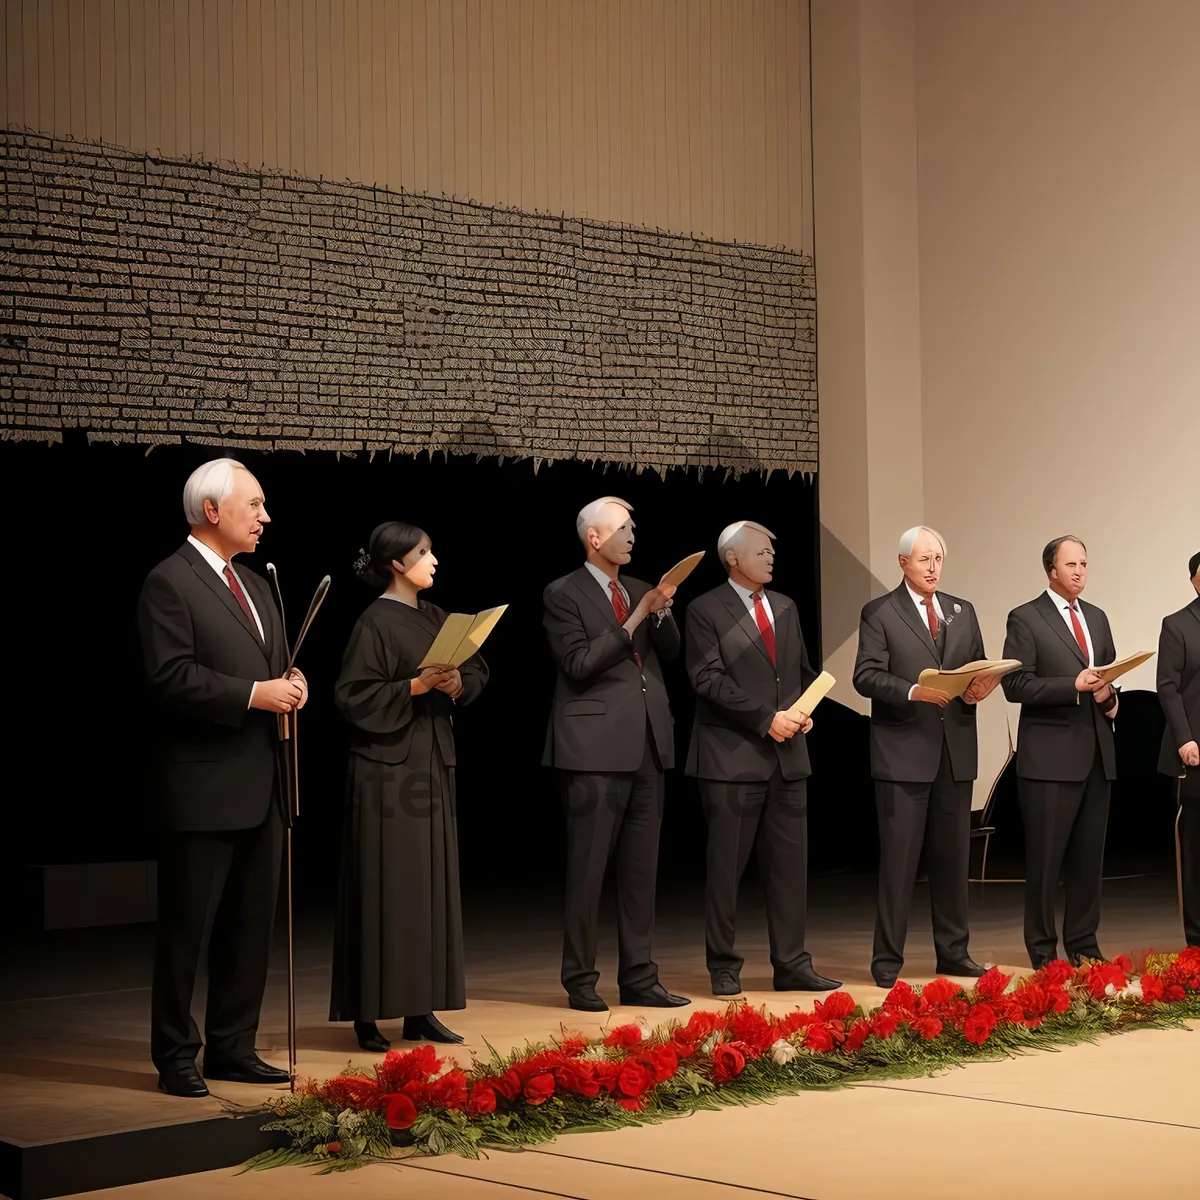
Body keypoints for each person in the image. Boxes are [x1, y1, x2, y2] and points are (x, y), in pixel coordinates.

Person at [137, 458, 306, 1098]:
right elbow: (168, 677)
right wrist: (253, 694)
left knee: (250, 924)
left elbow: (275, 666)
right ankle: (176, 1054)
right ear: (214, 511)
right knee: (188, 928)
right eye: (255, 505)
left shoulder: (259, 585)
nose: (266, 517)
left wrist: (291, 684)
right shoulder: (169, 581)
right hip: (202, 786)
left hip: (265, 782)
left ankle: (233, 1046)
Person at [330, 521, 489, 1048]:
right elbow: (353, 695)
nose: (434, 560)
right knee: (384, 887)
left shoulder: (439, 617)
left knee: (429, 888)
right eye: (424, 552)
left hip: (430, 761)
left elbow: (479, 670)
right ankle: (368, 1013)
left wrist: (457, 680)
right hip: (385, 767)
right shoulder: (374, 620)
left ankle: (421, 1010)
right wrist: (415, 686)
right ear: (397, 563)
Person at [543, 496, 689, 1012]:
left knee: (640, 869)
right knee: (587, 870)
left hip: (648, 742)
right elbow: (579, 664)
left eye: (634, 527)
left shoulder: (639, 588)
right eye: (623, 528)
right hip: (592, 749)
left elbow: (669, 652)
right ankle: (580, 979)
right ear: (594, 538)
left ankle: (640, 977)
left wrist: (661, 611)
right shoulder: (563, 592)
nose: (632, 535)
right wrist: (634, 621)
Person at [684, 520, 840, 997]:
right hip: (732, 757)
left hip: (788, 756)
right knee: (726, 869)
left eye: (773, 550)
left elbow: (800, 671)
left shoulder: (786, 607)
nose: (772, 556)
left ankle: (792, 963)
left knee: (790, 869)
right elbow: (707, 678)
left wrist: (805, 709)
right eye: (761, 550)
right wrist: (765, 718)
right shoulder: (704, 608)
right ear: (732, 558)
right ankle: (724, 966)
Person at [853, 526, 995, 987]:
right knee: (899, 863)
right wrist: (913, 690)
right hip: (903, 754)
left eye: (938, 558)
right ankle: (887, 962)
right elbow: (866, 675)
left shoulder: (962, 610)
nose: (934, 567)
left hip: (955, 754)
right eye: (924, 559)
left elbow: (977, 666)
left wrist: (978, 689)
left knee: (954, 861)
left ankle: (954, 952)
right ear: (902, 563)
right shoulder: (880, 612)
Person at [1002, 535, 1119, 969]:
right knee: (1046, 863)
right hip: (1049, 760)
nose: (1079, 572)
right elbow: (1016, 685)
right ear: (1051, 570)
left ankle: (1085, 945)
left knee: (1089, 862)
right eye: (1071, 565)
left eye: (1084, 564)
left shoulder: (1098, 618)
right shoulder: (1026, 618)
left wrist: (1111, 698)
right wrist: (1072, 685)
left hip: (1096, 755)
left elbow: (1105, 675)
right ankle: (1043, 951)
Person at [1156, 550, 1200, 948]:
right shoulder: (1178, 625)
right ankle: (1198, 942)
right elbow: (1167, 689)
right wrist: (1185, 738)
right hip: (1195, 754)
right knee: (1197, 851)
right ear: (1195, 580)